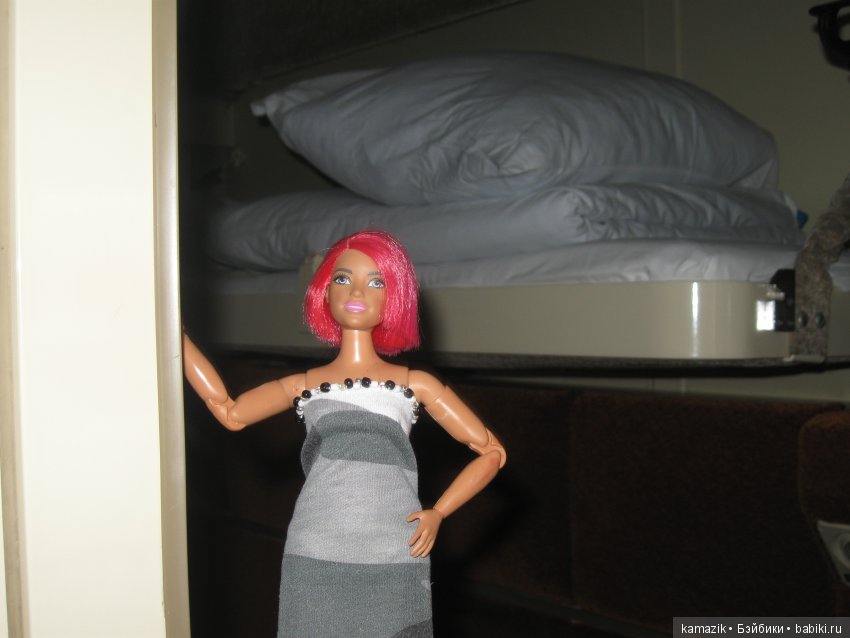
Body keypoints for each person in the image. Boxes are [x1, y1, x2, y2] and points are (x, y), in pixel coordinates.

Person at [183, 229, 506, 637]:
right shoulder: (305, 385)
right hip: (317, 543)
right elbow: (230, 412)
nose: (357, 291)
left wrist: (439, 512)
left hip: (394, 544)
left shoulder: (414, 384)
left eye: (376, 282)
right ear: (325, 291)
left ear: (394, 298)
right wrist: (177, 337)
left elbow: (491, 451)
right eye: (342, 278)